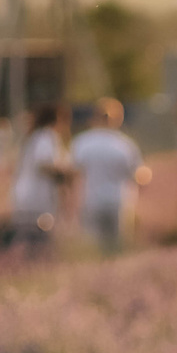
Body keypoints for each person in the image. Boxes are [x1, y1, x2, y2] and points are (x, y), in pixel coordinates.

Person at [68, 99, 149, 254]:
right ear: (118, 118)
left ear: (94, 117)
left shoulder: (82, 142)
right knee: (118, 247)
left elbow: (72, 172)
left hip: (91, 201)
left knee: (92, 247)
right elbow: (140, 176)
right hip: (119, 201)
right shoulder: (125, 145)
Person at [3, 104, 69, 249]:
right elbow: (43, 163)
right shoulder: (46, 136)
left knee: (26, 237)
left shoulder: (34, 136)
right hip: (36, 197)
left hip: (25, 194)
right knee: (36, 239)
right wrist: (65, 172)